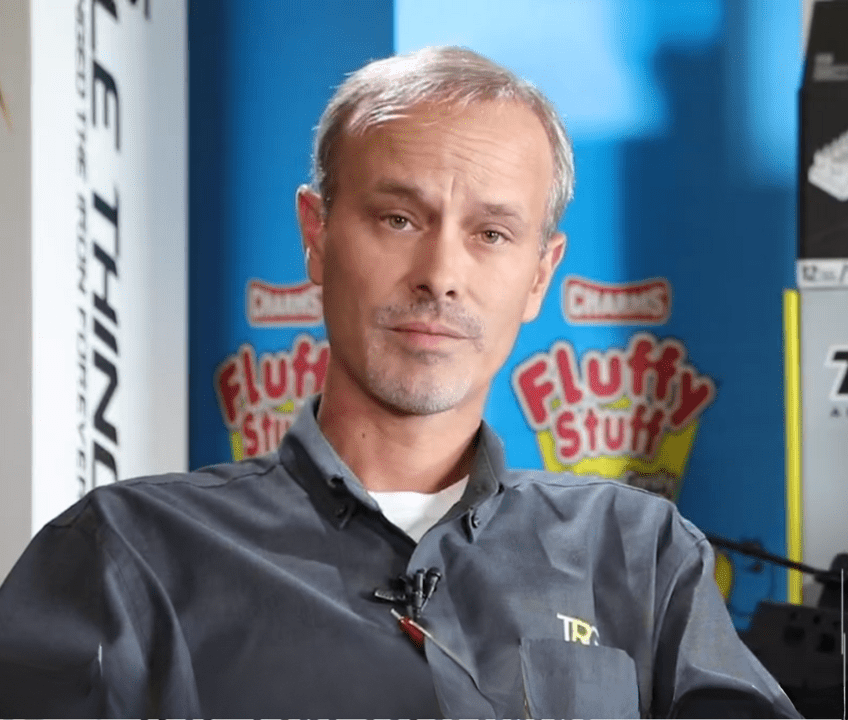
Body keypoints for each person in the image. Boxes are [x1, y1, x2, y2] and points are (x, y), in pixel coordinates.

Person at [0, 47, 800, 718]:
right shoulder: (128, 556)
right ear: (316, 235)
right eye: (399, 219)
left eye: (492, 233)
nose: (440, 274)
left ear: (540, 274)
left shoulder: (639, 553)